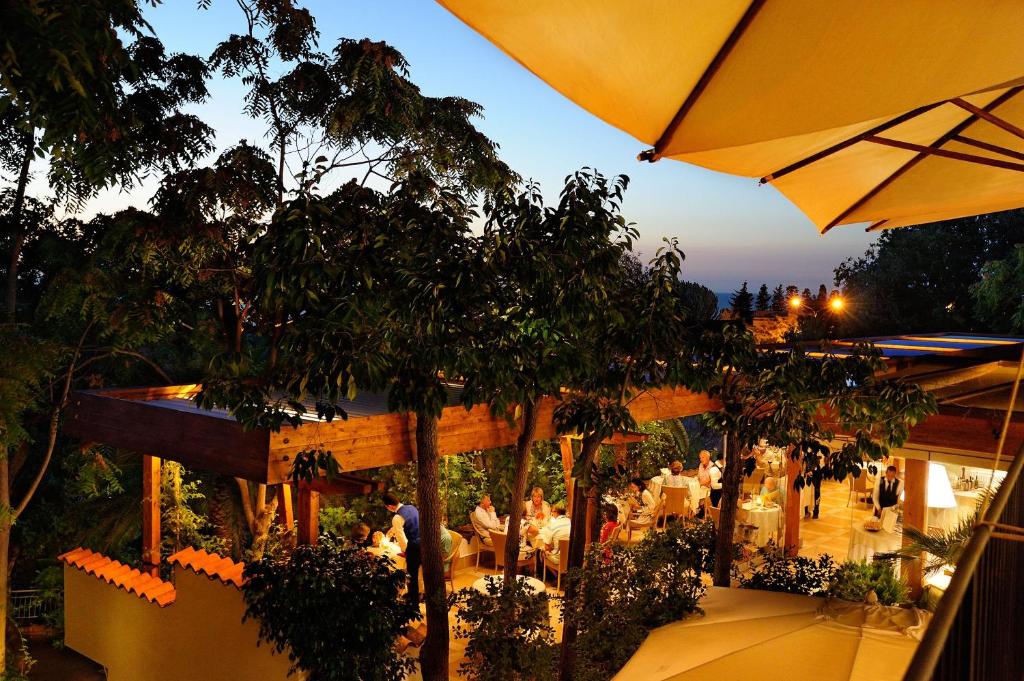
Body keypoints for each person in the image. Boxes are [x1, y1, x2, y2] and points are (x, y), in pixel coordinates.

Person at [383, 491, 420, 605]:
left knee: (412, 575)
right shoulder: (412, 507)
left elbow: (402, 539)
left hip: (414, 547)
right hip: (424, 543)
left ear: (389, 506)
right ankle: (417, 594)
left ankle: (413, 601)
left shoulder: (397, 518)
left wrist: (405, 551)